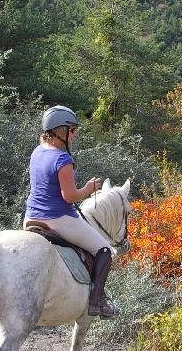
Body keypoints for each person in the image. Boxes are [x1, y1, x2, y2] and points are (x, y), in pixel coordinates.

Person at [24, 105, 116, 318]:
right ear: (60, 131)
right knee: (105, 250)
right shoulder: (63, 160)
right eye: (72, 130)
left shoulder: (37, 152)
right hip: (57, 219)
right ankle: (96, 301)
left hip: (31, 217)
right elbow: (69, 197)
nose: (75, 134)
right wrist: (89, 188)